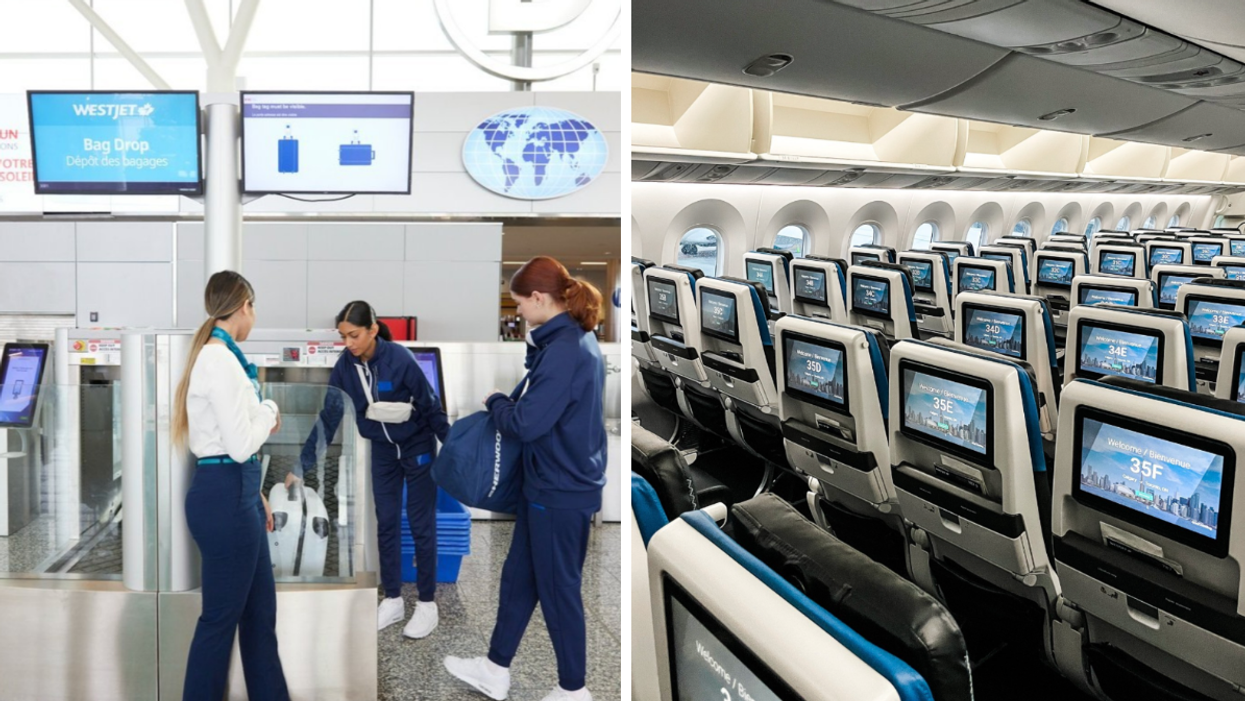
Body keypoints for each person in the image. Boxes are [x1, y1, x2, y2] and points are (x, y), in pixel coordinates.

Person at [445, 256, 607, 701]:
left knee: (559, 591)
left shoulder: (566, 350)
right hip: (549, 485)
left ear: (538, 298)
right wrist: (535, 344)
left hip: (559, 491)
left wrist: (496, 400)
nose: (517, 311)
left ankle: (573, 690)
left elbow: (526, 423)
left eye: (519, 303)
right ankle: (494, 668)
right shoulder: (568, 342)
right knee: (519, 578)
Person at [298, 300, 450, 638]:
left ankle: (427, 604)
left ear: (373, 330)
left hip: (417, 447)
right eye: (343, 336)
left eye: (354, 335)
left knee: (422, 525)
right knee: (387, 523)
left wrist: (454, 451)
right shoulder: (345, 367)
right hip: (383, 451)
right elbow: (329, 417)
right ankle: (393, 599)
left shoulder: (400, 359)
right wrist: (302, 464)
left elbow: (431, 406)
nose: (348, 343)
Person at [172, 270, 289, 701]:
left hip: (235, 492)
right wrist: (269, 409)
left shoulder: (219, 358)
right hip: (224, 497)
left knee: (259, 616)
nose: (253, 316)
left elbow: (229, 445)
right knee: (219, 622)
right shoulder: (219, 360)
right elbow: (239, 446)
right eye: (253, 308)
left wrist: (255, 494)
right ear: (244, 306)